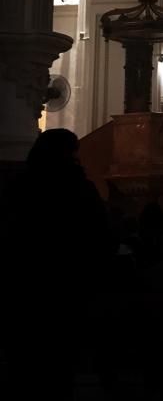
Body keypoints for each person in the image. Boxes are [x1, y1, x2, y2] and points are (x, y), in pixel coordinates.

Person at [1, 129, 116, 401]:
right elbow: (100, 236)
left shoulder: (20, 185)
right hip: (68, 287)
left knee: (24, 364)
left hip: (24, 285)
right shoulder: (79, 187)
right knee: (60, 366)